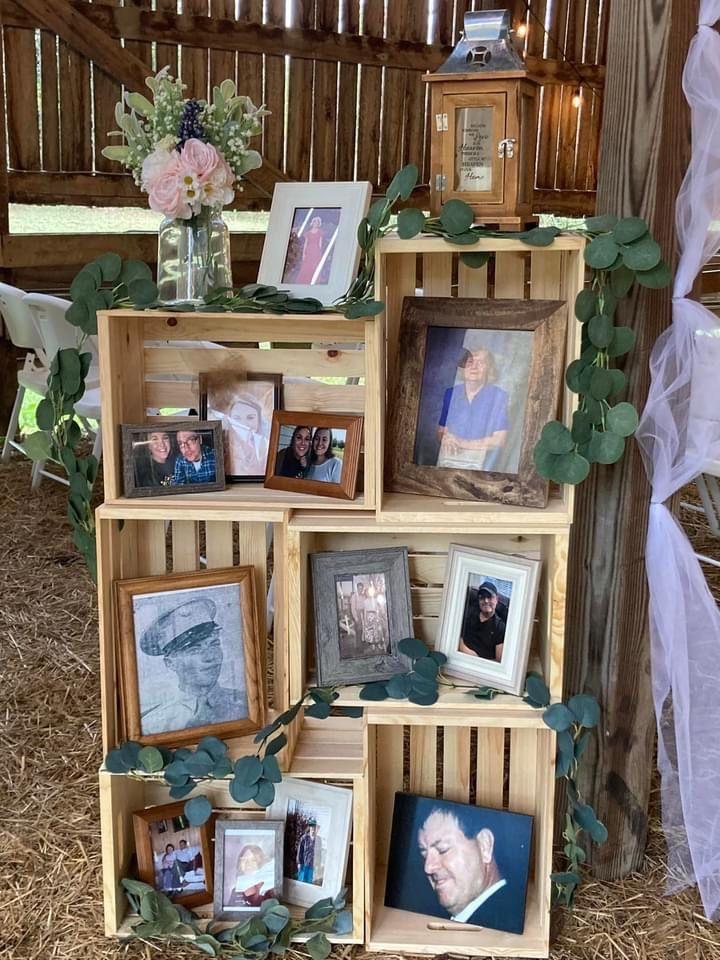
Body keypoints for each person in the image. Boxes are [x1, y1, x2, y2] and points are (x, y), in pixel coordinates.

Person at [139, 596, 248, 735]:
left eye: (214, 644)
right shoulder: (153, 725)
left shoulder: (247, 705)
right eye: (194, 649)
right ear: (171, 663)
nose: (210, 657)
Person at [418, 809, 520, 931]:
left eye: (442, 849)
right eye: (424, 855)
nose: (428, 867)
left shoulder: (505, 926)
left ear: (484, 846)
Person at [437, 347, 509, 471]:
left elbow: (500, 440)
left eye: (480, 362)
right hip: (450, 460)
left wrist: (461, 443)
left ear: (489, 369)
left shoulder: (498, 396)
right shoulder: (451, 393)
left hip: (483, 465)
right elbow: (441, 431)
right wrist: (446, 439)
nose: (474, 367)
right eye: (469, 362)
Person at [222, 395, 269, 477]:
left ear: (259, 420)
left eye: (250, 418)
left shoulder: (265, 445)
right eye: (237, 418)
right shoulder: (223, 446)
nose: (244, 424)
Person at [459, 581, 505, 662]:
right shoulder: (469, 613)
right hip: (460, 657)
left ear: (497, 599)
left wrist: (476, 659)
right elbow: (456, 636)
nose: (486, 601)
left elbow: (498, 661)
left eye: (490, 597)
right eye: (482, 597)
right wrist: (463, 649)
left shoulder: (500, 627)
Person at [296, 216, 326, 284]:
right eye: (315, 222)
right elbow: (306, 244)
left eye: (317, 222)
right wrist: (304, 253)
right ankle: (305, 281)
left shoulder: (320, 232)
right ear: (312, 223)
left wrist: (320, 253)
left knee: (314, 266)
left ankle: (314, 280)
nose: (316, 223)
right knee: (306, 266)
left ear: (319, 224)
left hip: (316, 251)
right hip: (309, 251)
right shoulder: (308, 233)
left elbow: (320, 243)